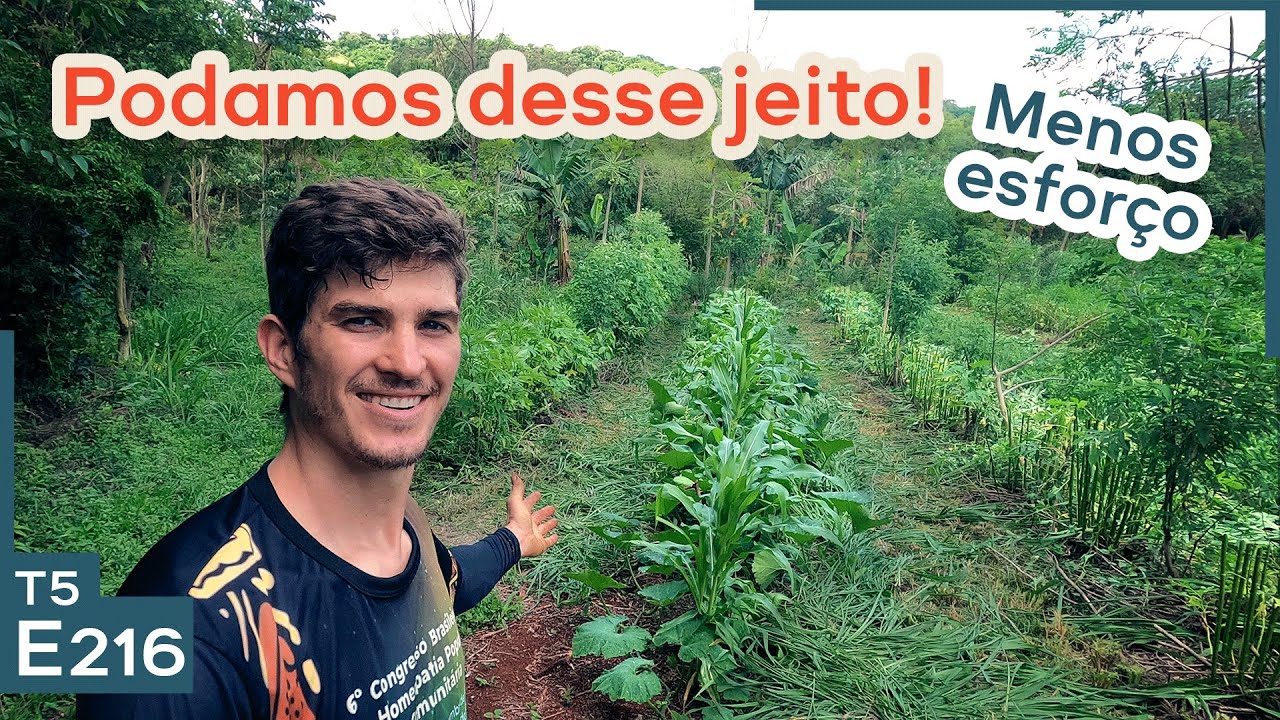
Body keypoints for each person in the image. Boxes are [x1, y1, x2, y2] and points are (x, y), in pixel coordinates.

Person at [77, 178, 559, 719]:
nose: (407, 363)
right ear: (284, 350)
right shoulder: (182, 631)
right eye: (362, 320)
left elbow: (445, 584)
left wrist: (514, 540)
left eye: (433, 324)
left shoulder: (406, 527)